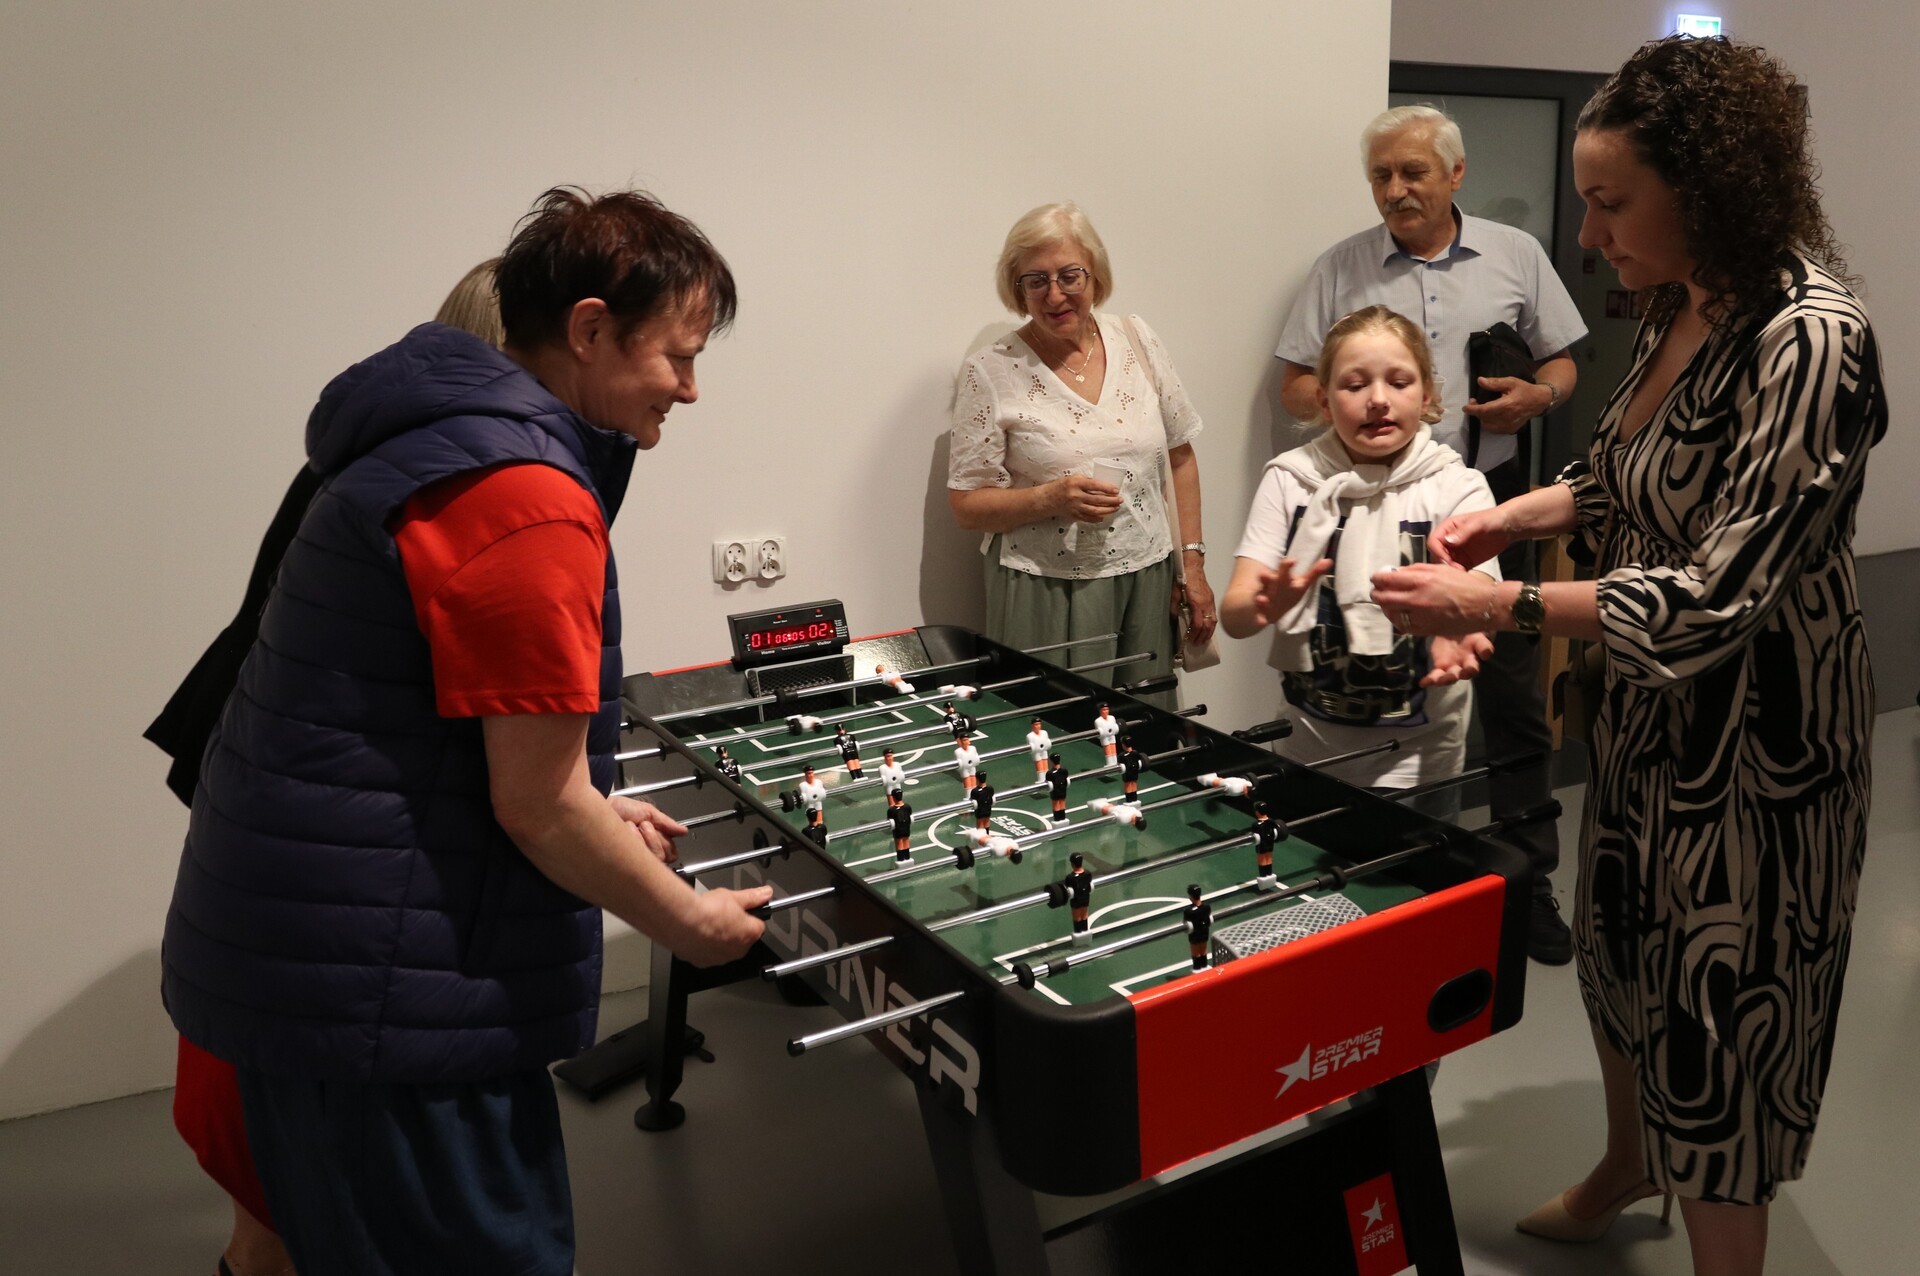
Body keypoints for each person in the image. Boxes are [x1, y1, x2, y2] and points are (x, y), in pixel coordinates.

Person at [159, 189, 773, 1276]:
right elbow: (536, 804)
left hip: (315, 957)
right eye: (677, 355)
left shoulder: (438, 443)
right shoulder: (521, 495)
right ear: (589, 330)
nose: (690, 386)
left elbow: (434, 734)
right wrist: (689, 922)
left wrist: (592, 804)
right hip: (381, 992)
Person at [1372, 37, 1885, 1275]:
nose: (1588, 236)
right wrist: (1511, 519)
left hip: (1760, 746)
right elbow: (1616, 478)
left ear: (1706, 190)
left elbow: (1715, 597)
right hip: (1651, 711)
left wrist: (1494, 603)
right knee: (1618, 947)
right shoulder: (1681, 302)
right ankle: (1627, 1160)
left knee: (1721, 1015)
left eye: (1610, 203)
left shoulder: (1811, 339)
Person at [152, 258, 512, 1276]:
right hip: (304, 913)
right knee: (298, 1212)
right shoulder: (442, 488)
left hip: (256, 875)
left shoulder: (366, 454)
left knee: (266, 1223)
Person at [1275, 105, 1588, 964]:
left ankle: (1525, 885)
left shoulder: (1515, 254)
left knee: (1513, 700)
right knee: (1375, 689)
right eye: (1381, 175)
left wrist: (1540, 397)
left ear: (1455, 174)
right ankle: (1381, 881)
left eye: (1412, 172)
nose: (1395, 190)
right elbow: (1293, 383)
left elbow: (1564, 359)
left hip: (1488, 507)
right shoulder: (1340, 267)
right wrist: (1358, 395)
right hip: (1372, 513)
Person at [1222, 307, 1499, 814]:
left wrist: (1460, 628)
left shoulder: (1458, 486)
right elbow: (1235, 618)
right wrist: (1264, 605)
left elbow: (1482, 596)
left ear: (1427, 395)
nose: (1378, 399)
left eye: (1399, 382)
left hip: (1422, 762)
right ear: (1324, 402)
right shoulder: (1289, 480)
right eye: (1354, 385)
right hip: (1306, 752)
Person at [949, 203, 1216, 706]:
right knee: (1056, 732)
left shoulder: (1137, 339)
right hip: (1044, 589)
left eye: (1069, 276)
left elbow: (1180, 456)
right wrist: (1049, 498)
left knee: (1144, 729)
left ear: (1095, 275)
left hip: (1148, 578)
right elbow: (966, 506)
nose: (1055, 295)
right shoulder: (991, 370)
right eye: (1036, 281)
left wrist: (1193, 568)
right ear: (1018, 288)